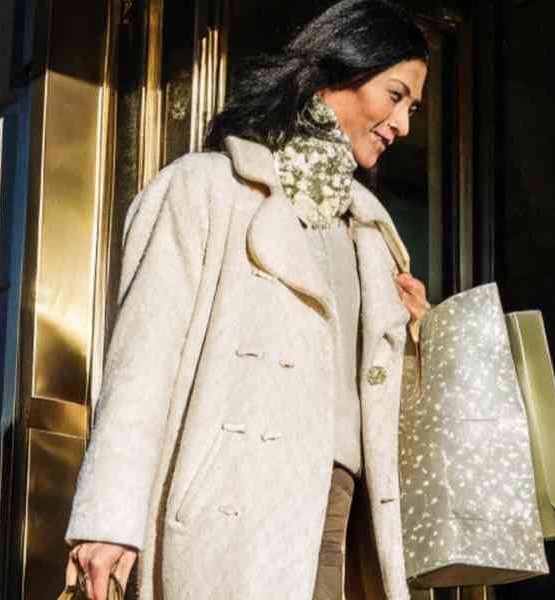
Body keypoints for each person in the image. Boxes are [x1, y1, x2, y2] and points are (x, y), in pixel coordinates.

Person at [63, 1, 433, 599]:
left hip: (344, 517)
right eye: (394, 95)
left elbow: (379, 412)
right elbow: (142, 362)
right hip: (234, 512)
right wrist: (109, 520)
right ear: (336, 72)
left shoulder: (371, 234)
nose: (403, 124)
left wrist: (415, 336)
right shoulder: (206, 188)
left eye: (411, 107)